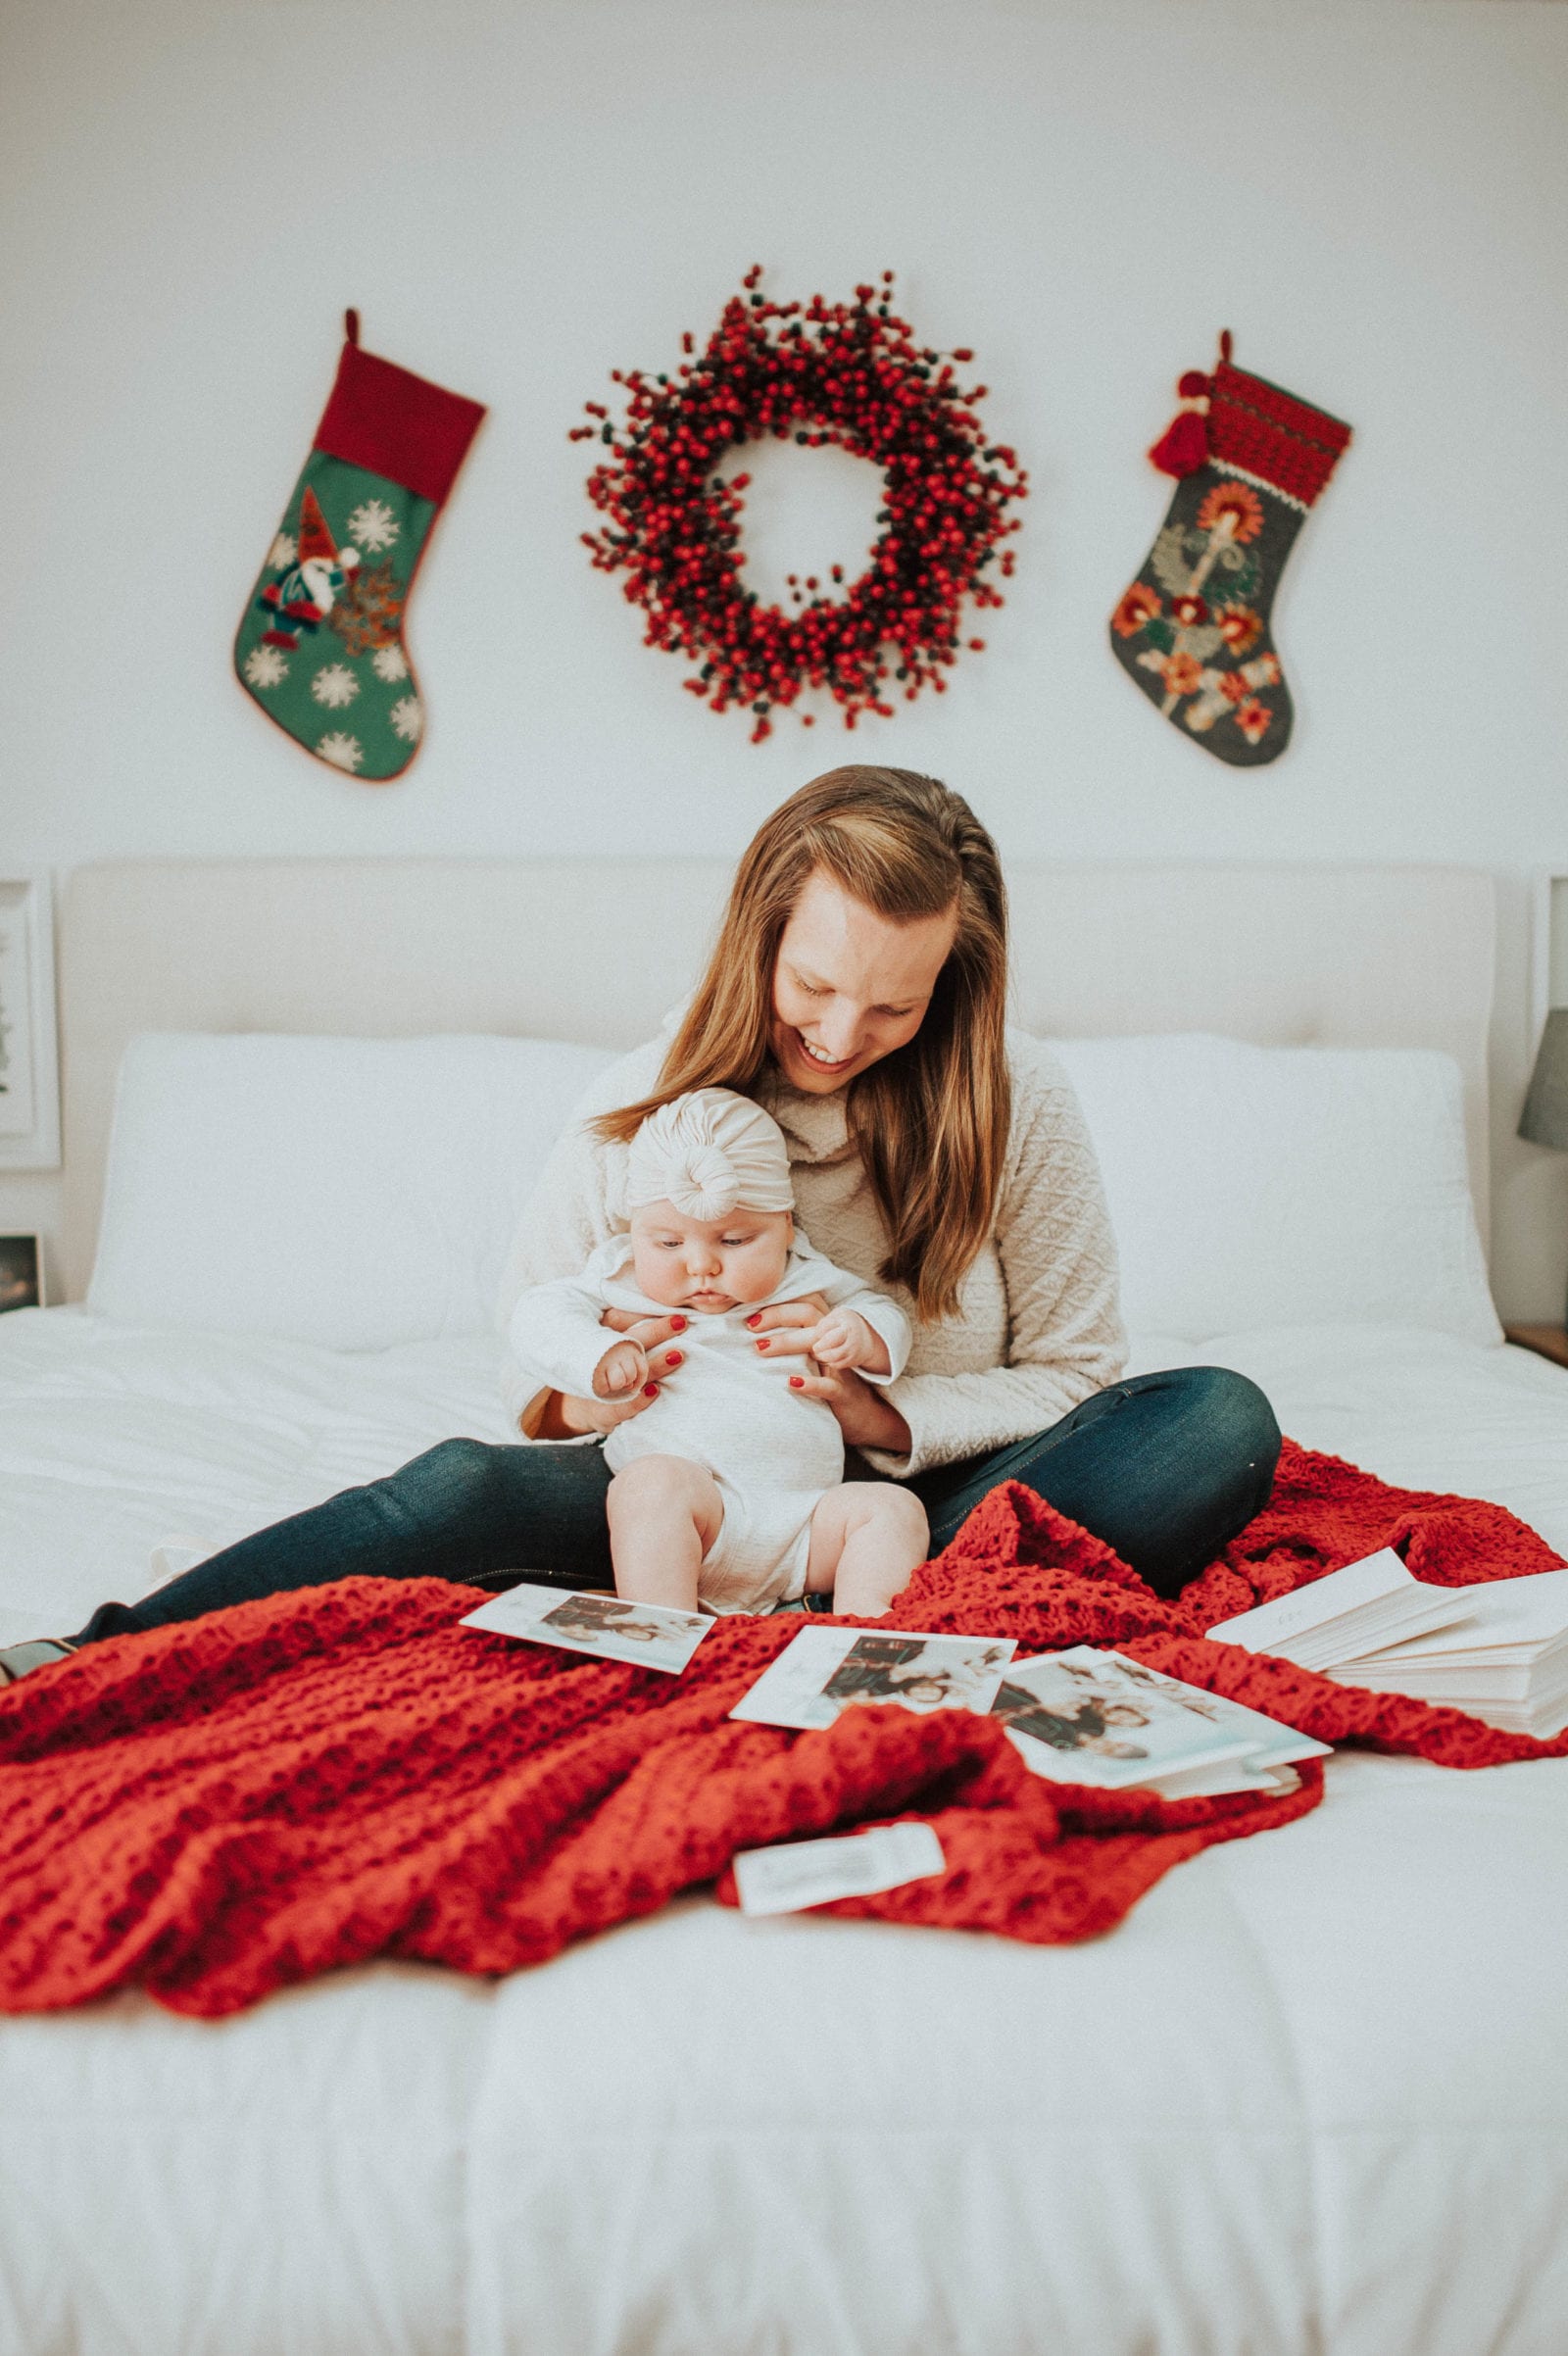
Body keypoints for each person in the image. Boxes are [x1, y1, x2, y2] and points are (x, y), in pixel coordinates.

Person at [0, 764, 1282, 1686]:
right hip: (683, 1493)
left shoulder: (1018, 1096)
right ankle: (90, 1654)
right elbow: (528, 1367)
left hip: (915, 1509)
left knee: (1214, 1418)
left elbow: (1077, 1373)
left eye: (894, 1009)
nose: (841, 1037)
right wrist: (627, 1378)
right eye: (815, 987)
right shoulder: (643, 1099)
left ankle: (844, 1616)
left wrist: (878, 1421)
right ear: (759, 938)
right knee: (459, 1486)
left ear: (954, 983)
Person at [510, 1086, 927, 1617]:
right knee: (650, 1486)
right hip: (697, 1520)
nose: (700, 1265)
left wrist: (862, 1334)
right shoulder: (619, 1279)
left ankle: (853, 1644)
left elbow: (885, 1313)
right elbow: (538, 1313)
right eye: (668, 1244)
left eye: (734, 1241)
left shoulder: (806, 1279)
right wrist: (597, 1353)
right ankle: (662, 1628)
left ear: (786, 1229)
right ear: (635, 1232)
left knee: (893, 1510)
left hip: (805, 1528)